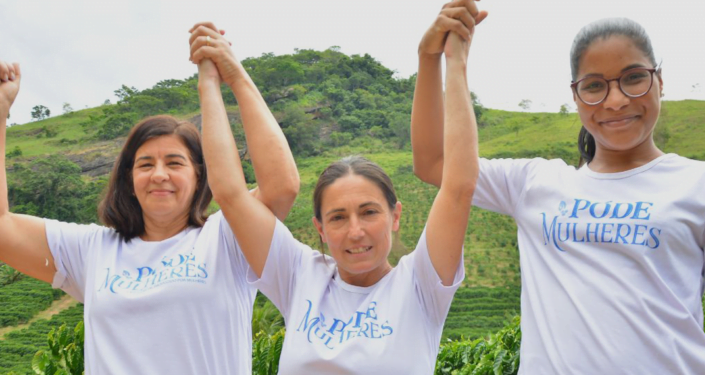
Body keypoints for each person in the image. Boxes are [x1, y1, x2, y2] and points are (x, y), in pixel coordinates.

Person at [411, 2, 705, 373]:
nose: (617, 100)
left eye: (634, 77)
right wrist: (437, 58)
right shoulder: (533, 184)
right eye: (594, 86)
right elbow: (434, 163)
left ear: (660, 80)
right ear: (575, 97)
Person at [0, 24, 299, 374]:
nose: (159, 174)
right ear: (128, 179)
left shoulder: (229, 239)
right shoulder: (92, 250)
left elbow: (281, 186)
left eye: (175, 163)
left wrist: (230, 75)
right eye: (145, 164)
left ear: (200, 175)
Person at [189, 18, 479, 374]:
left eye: (369, 212)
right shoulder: (299, 276)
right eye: (338, 217)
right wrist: (219, 79)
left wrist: (454, 60)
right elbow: (231, 195)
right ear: (320, 229)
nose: (355, 231)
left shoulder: (420, 284)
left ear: (396, 215)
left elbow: (458, 186)